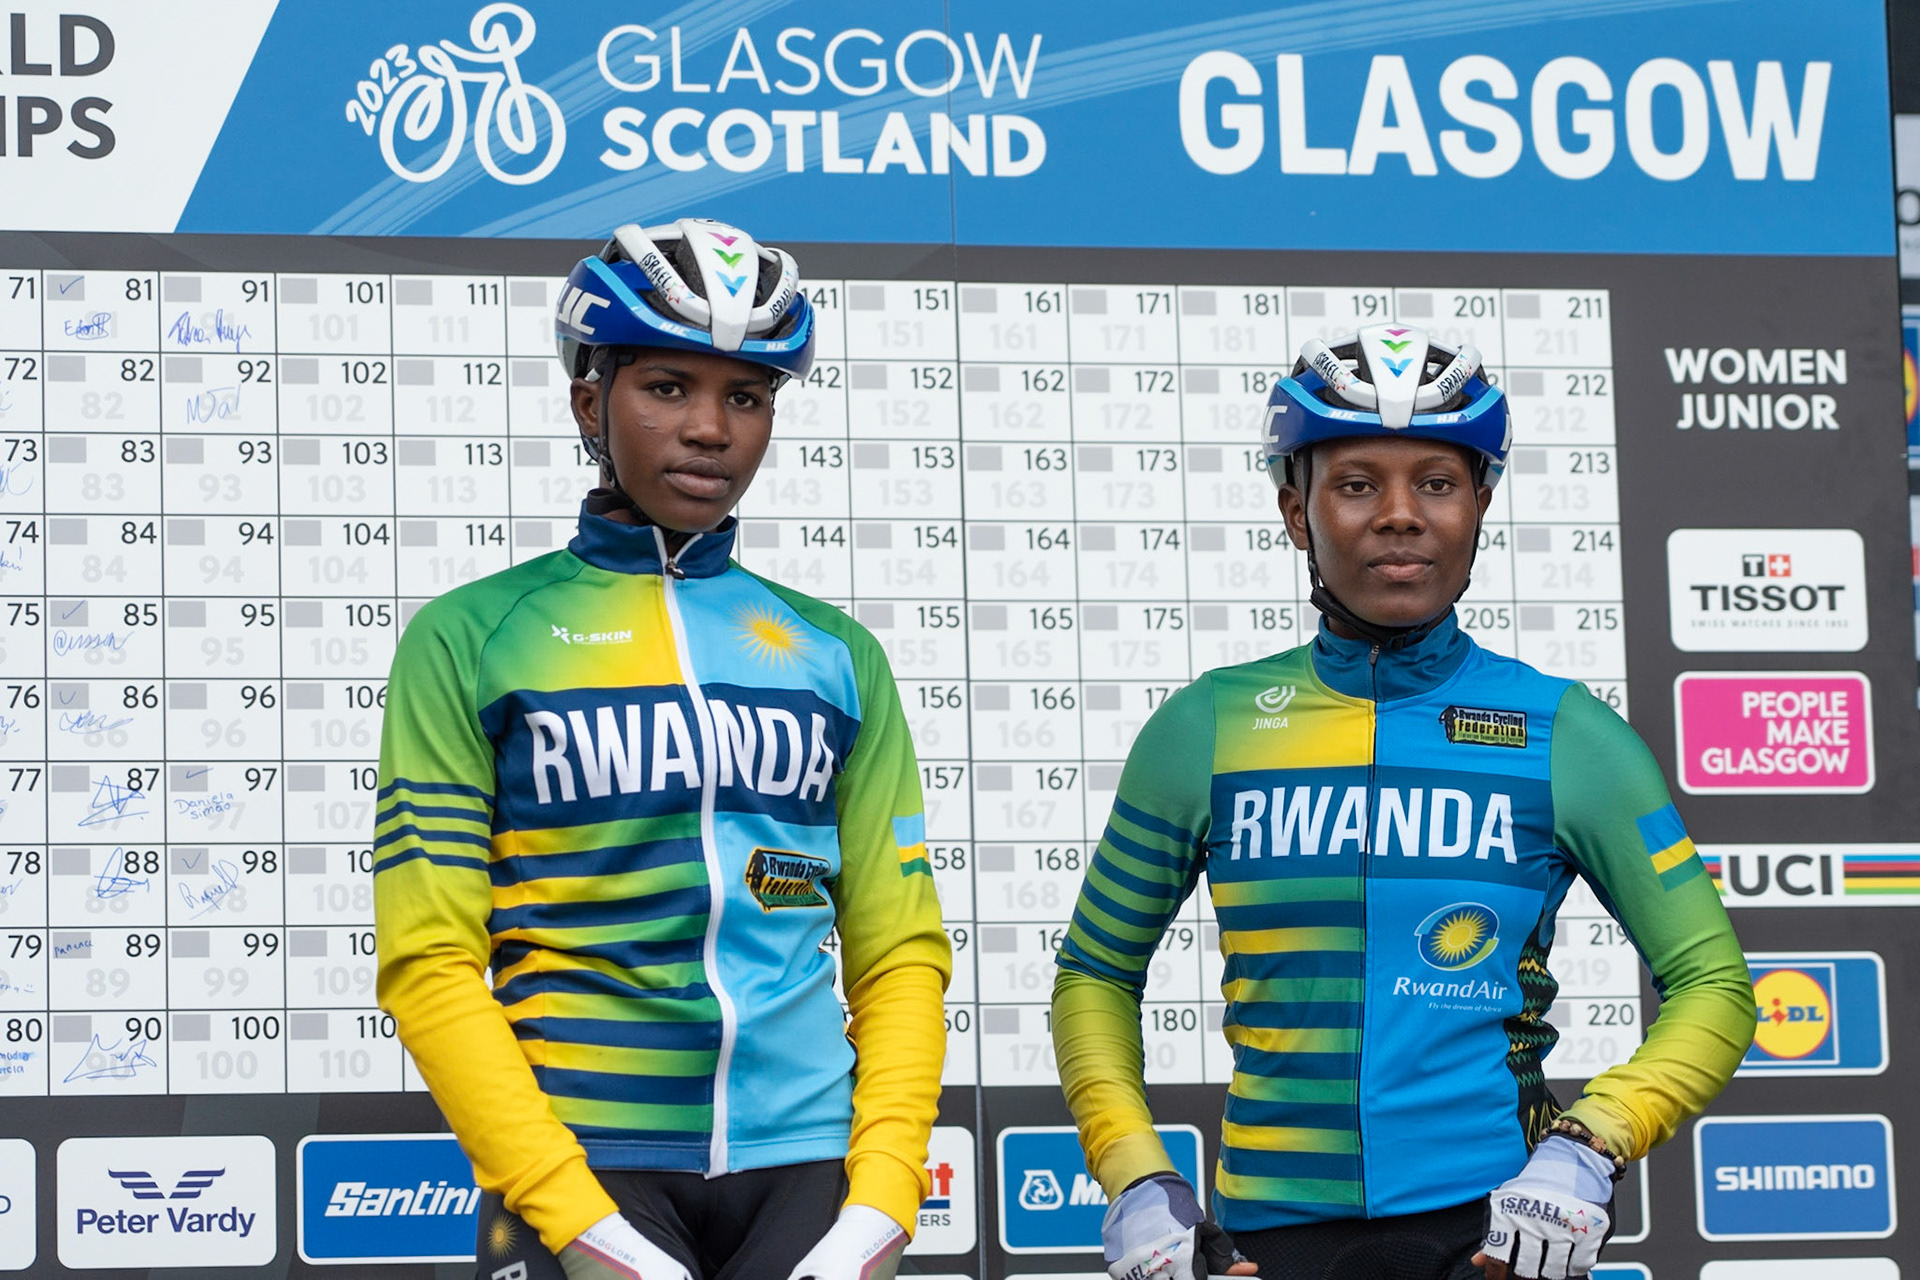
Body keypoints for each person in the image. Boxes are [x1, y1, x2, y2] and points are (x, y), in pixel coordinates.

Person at [1050, 325, 1755, 1280]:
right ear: (1295, 510)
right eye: (1355, 485)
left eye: (1437, 482)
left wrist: (1591, 1144)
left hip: (1498, 1235)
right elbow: (1094, 972)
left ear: (1480, 505)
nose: (1399, 516)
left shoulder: (1567, 734)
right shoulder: (1203, 728)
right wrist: (1137, 1176)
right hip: (1266, 1244)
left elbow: (1715, 986)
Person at [374, 217, 951, 1280]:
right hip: (584, 1166)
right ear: (589, 400)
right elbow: (430, 963)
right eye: (668, 387)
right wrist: (572, 1217)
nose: (710, 429)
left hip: (811, 1171)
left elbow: (900, 955)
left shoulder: (837, 654)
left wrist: (881, 1203)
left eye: (748, 397)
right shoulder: (471, 638)